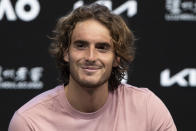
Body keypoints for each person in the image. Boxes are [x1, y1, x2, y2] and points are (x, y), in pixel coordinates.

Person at [8, 3, 177, 131]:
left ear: (117, 58)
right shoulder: (29, 121)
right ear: (66, 53)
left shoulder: (147, 108)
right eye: (81, 45)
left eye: (102, 47)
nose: (90, 57)